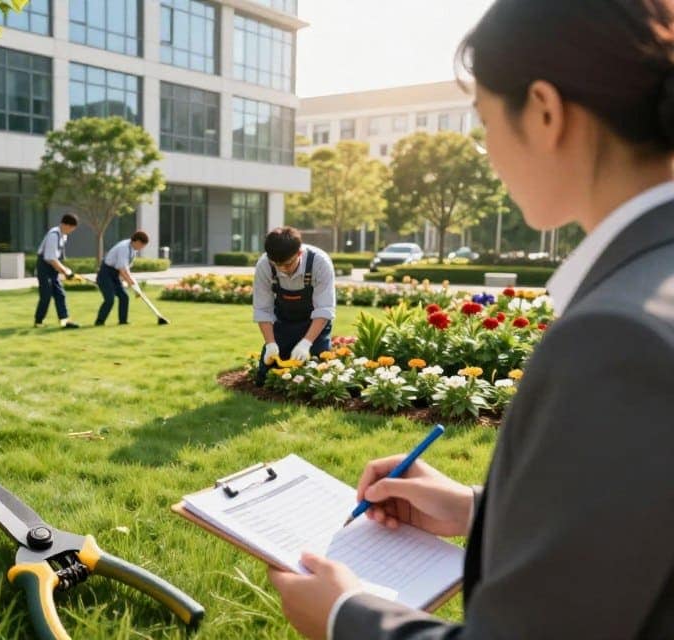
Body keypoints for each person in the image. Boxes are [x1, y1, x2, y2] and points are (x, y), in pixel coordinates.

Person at [268, 1, 674, 638]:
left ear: (544, 110)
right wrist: (480, 511)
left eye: (484, 121)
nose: (487, 151)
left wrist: (346, 615)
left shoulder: (619, 335)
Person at [252, 226, 336, 385]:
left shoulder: (319, 263)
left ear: (299, 253)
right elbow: (263, 309)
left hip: (315, 325)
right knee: (265, 377)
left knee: (318, 377)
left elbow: (324, 309)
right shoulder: (265, 265)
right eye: (278, 265)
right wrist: (270, 343)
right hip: (283, 323)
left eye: (288, 264)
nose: (283, 269)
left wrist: (306, 343)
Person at [35, 213, 80, 329]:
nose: (71, 231)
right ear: (66, 225)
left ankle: (64, 321)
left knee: (60, 294)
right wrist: (65, 271)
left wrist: (66, 270)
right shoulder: (54, 235)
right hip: (44, 267)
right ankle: (39, 321)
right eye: (71, 229)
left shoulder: (63, 235)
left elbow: (58, 257)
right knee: (46, 295)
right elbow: (50, 258)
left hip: (53, 267)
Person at [95, 230, 149, 326]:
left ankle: (123, 321)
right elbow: (122, 270)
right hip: (105, 273)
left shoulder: (133, 250)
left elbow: (127, 271)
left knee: (124, 297)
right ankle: (99, 322)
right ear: (137, 241)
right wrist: (132, 285)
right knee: (110, 299)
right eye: (142, 246)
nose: (141, 248)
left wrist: (136, 288)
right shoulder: (124, 248)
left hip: (115, 274)